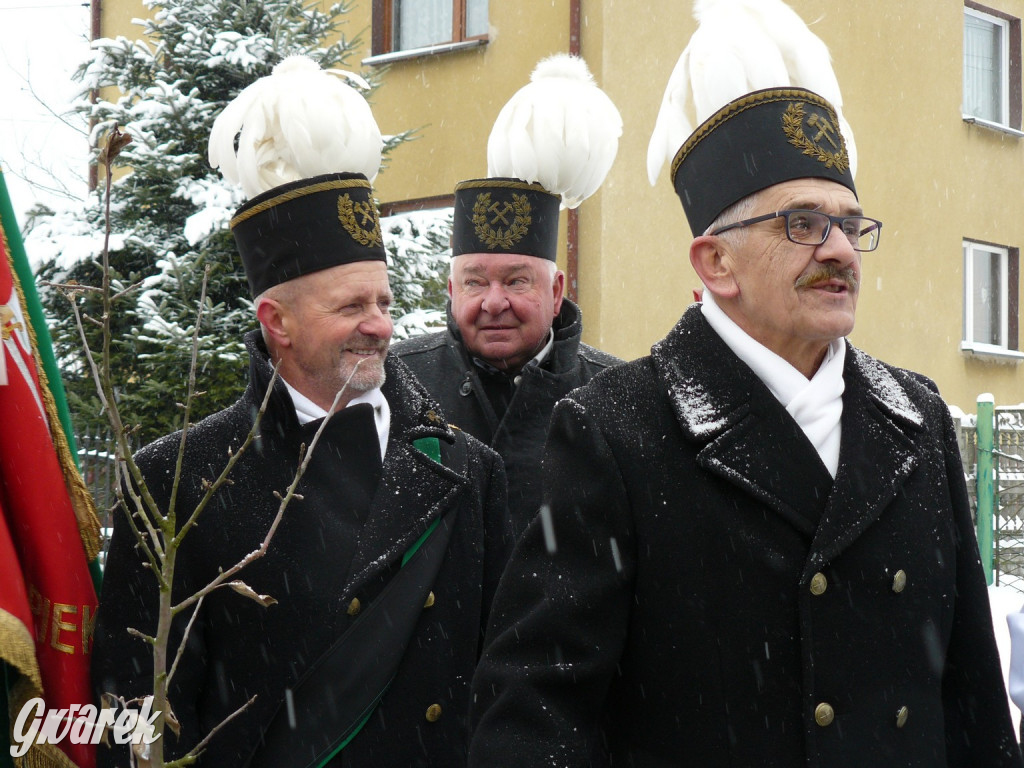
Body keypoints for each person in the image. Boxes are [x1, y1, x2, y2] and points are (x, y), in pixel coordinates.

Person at [467, 86, 1024, 767]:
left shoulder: (917, 416)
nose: (840, 251)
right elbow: (534, 712)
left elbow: (973, 698)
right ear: (715, 263)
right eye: (801, 223)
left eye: (850, 226)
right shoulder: (615, 429)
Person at [92, 57, 511, 767]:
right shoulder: (176, 480)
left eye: (382, 302)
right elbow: (133, 714)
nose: (380, 325)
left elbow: (508, 689)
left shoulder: (468, 470)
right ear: (276, 322)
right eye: (351, 306)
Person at [393, 54, 621, 535]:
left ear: (556, 292)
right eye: (475, 282)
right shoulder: (394, 383)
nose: (493, 302)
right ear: (452, 290)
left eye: (517, 281)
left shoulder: (617, 395)